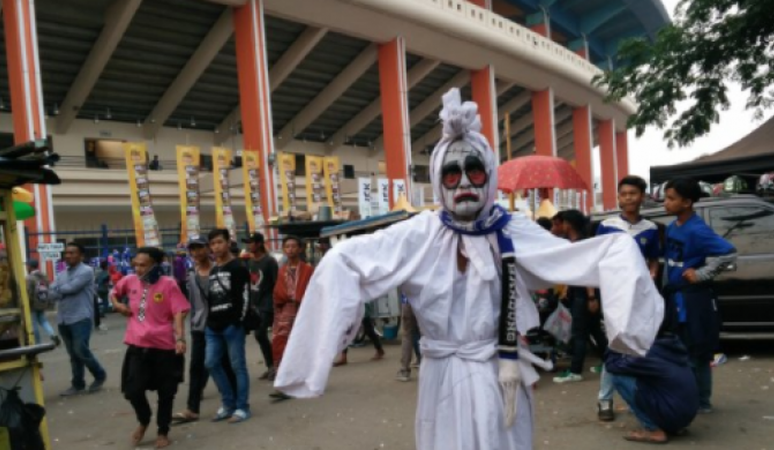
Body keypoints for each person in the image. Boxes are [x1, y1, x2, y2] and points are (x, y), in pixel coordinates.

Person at [274, 88, 664, 450]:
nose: (463, 183)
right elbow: (345, 260)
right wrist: (318, 353)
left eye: (474, 172)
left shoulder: (512, 230)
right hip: (441, 373)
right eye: (451, 174)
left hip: (499, 370)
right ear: (439, 180)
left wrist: (627, 318)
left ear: (490, 176)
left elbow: (587, 256)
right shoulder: (419, 233)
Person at [663, 177, 737, 414]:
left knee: (698, 353)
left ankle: (703, 402)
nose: (666, 203)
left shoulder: (697, 229)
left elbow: (729, 253)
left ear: (686, 202)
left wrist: (702, 273)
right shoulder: (673, 227)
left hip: (694, 300)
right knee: (682, 352)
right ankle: (689, 397)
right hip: (676, 299)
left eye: (671, 198)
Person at [593, 175, 662, 421]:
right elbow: (597, 260)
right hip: (614, 297)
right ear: (619, 197)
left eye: (634, 193)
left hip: (640, 298)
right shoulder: (608, 225)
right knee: (614, 347)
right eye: (624, 194)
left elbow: (654, 259)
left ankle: (636, 399)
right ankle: (605, 400)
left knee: (639, 347)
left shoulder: (651, 229)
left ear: (642, 196)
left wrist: (652, 275)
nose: (629, 198)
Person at [110, 247, 190, 449]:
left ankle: (163, 431)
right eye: (135, 264)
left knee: (166, 392)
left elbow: (179, 311)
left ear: (155, 264)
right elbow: (114, 292)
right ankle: (144, 419)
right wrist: (118, 305)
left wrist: (180, 338)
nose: (137, 268)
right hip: (138, 346)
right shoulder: (129, 281)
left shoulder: (169, 284)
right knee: (133, 390)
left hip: (164, 348)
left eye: (142, 265)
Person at [172, 237, 237, 423]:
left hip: (220, 323)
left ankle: (234, 402)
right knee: (196, 366)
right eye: (192, 250)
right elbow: (188, 301)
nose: (195, 253)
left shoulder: (220, 270)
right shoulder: (190, 273)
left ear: (207, 249)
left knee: (224, 363)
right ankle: (192, 408)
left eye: (199, 249)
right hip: (199, 325)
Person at [605, 323, 699, 444]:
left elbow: (612, 365)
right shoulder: (672, 346)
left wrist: (614, 342)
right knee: (647, 377)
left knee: (619, 378)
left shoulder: (650, 351)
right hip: (686, 415)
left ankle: (653, 429)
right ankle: (673, 426)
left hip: (673, 414)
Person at [550, 210, 609, 385]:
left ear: (567, 224)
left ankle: (575, 371)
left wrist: (591, 297)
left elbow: (588, 271)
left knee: (579, 334)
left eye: (557, 224)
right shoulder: (574, 243)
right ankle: (610, 363)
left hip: (585, 294)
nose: (555, 228)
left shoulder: (581, 244)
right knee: (595, 332)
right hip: (581, 293)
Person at [205, 228, 253, 424]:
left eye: (219, 242)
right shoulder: (214, 269)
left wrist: (237, 322)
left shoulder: (238, 267)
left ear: (228, 243)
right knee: (211, 363)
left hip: (232, 326)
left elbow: (245, 297)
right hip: (213, 326)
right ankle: (228, 404)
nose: (216, 247)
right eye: (213, 244)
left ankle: (242, 407)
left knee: (237, 366)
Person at [50, 243, 107, 396]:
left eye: (72, 253)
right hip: (63, 319)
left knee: (80, 350)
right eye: (66, 253)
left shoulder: (87, 271)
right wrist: (57, 290)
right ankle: (78, 384)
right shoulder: (62, 274)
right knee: (73, 355)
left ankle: (100, 374)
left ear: (81, 256)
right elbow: (52, 293)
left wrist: (57, 290)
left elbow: (70, 289)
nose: (67, 256)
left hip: (80, 318)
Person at [269, 236, 314, 400]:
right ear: (283, 249)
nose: (291, 249)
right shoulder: (281, 271)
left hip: (304, 311)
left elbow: (313, 291)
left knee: (302, 346)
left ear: (300, 249)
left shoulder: (308, 270)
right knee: (281, 346)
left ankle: (304, 380)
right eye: (287, 246)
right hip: (285, 313)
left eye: (294, 246)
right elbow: (277, 293)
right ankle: (284, 384)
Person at [242, 232, 279, 381]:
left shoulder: (270, 261)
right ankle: (270, 365)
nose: (248, 245)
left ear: (259, 243)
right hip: (254, 304)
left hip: (267, 304)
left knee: (260, 334)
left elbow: (276, 283)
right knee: (259, 335)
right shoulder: (250, 262)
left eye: (251, 242)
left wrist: (277, 304)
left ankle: (273, 366)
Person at [26, 259, 59, 346]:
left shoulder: (29, 278)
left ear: (30, 267)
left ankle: (37, 343)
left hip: (33, 304)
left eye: (27, 266)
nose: (26, 267)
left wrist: (27, 303)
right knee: (43, 320)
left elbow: (28, 292)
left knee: (33, 324)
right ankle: (53, 334)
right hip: (42, 302)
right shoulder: (44, 276)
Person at [396, 293, 422, 382]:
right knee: (426, 334)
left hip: (407, 301)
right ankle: (428, 366)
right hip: (424, 300)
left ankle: (404, 370)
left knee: (407, 334)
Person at [95, 261, 110, 331]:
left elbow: (96, 281)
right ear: (106, 266)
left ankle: (99, 312)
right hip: (104, 289)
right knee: (106, 303)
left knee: (98, 302)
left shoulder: (98, 273)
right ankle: (101, 313)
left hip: (98, 289)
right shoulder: (107, 273)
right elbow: (106, 282)